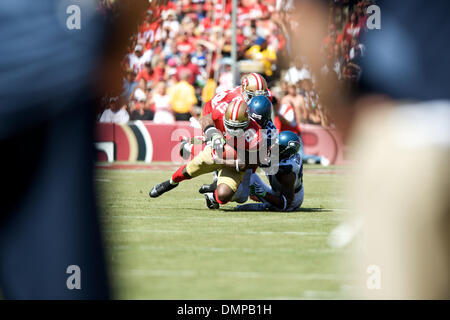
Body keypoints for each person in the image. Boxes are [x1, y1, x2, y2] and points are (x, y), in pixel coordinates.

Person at [149, 99, 265, 209]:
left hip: (235, 162)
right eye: (230, 125)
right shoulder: (220, 111)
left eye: (237, 127)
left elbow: (246, 164)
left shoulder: (256, 135)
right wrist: (213, 134)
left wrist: (221, 161)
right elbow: (206, 119)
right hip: (218, 149)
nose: (233, 130)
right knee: (188, 171)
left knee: (225, 196)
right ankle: (170, 183)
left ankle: (212, 187)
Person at [234, 131, 304, 212]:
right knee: (249, 175)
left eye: (277, 147)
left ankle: (266, 203)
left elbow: (285, 204)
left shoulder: (287, 172)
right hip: (277, 190)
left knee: (249, 178)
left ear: (286, 152)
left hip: (290, 201)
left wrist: (263, 194)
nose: (271, 147)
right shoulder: (286, 156)